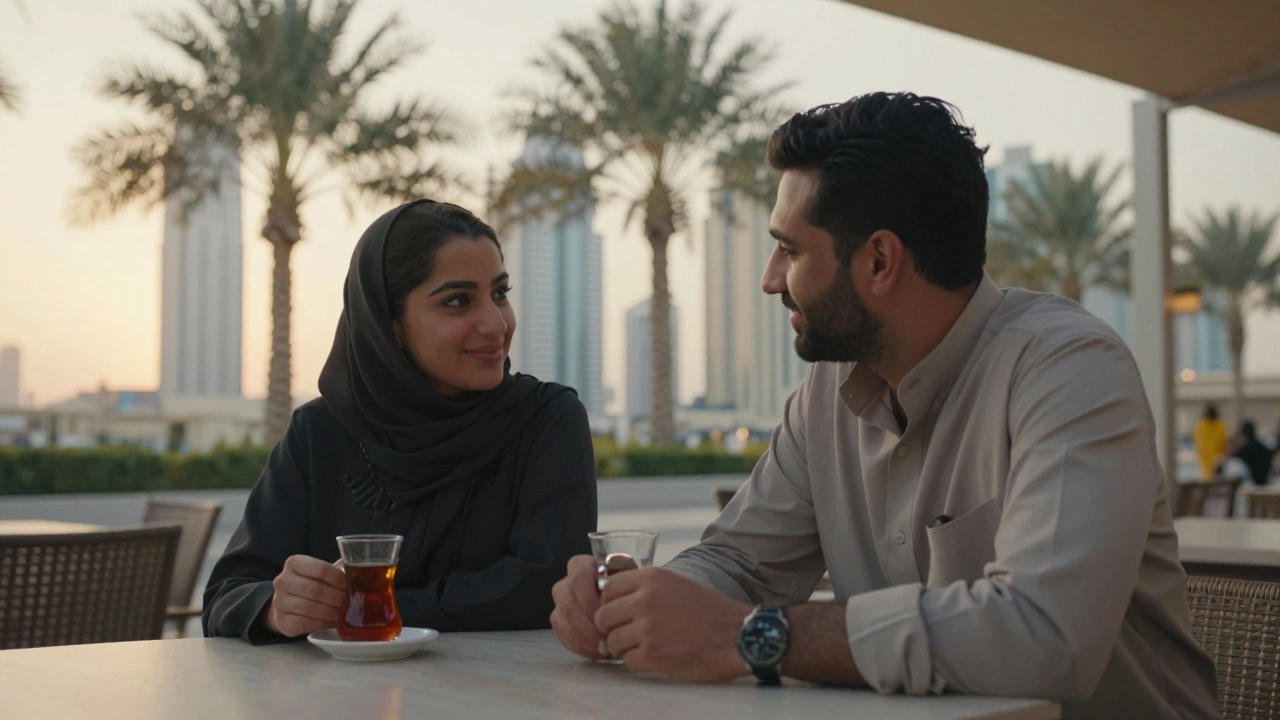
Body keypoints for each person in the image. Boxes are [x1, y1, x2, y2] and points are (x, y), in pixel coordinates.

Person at [550, 93, 1218, 719]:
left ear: (878, 262)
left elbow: (1044, 637)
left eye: (789, 249)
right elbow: (740, 564)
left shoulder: (1069, 370)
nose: (770, 279)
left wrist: (757, 635)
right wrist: (634, 602)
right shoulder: (827, 391)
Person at [204, 200, 597, 642]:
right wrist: (278, 608)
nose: (495, 323)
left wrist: (362, 607)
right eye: (457, 301)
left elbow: (546, 589)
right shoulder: (321, 433)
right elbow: (227, 595)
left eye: (499, 293)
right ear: (388, 324)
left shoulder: (545, 420)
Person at [1193, 404, 1229, 480]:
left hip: (1210, 458)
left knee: (1208, 478)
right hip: (1213, 458)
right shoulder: (1219, 425)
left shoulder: (1201, 426)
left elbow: (1198, 443)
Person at [1232, 420, 1273, 487]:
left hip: (1254, 484)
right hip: (1264, 482)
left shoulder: (1246, 449)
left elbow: (1235, 459)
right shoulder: (1263, 448)